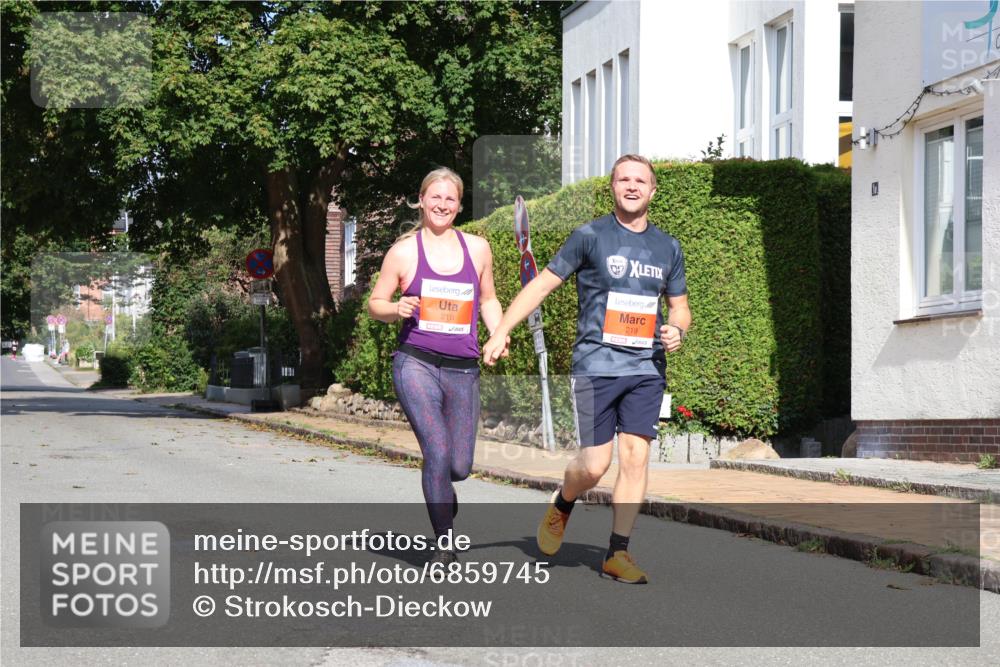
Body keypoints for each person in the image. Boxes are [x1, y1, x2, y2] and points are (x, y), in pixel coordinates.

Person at [483, 154, 691, 584]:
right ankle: (563, 500)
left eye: (640, 181)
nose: (632, 186)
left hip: (646, 367)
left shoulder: (668, 247)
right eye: (623, 180)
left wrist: (678, 330)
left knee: (636, 456)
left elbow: (680, 307)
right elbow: (542, 284)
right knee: (595, 466)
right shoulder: (590, 236)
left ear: (653, 191)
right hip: (596, 364)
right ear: (612, 187)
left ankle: (618, 551)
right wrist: (502, 330)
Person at [368, 167, 508, 565]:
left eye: (450, 198)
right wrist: (395, 308)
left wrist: (499, 334)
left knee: (459, 466)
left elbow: (488, 300)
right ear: (421, 200)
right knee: (437, 451)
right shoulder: (403, 252)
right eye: (436, 197)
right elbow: (375, 304)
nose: (442, 204)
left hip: (463, 367)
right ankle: (444, 542)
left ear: (459, 205)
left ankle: (444, 492)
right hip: (416, 363)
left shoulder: (478, 249)